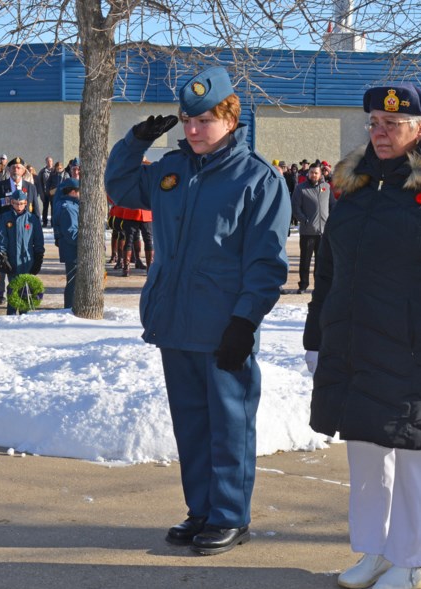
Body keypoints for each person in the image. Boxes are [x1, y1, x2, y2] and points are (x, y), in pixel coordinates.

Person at [303, 84, 421, 589]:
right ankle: (375, 548)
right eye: (373, 123)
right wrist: (316, 335)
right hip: (356, 345)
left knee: (414, 453)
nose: (379, 133)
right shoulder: (358, 187)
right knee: (365, 449)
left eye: (391, 124)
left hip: (420, 350)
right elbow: (330, 273)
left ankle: (411, 558)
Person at [105, 66, 290, 555]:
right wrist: (133, 143)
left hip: (224, 324)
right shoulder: (171, 169)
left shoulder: (258, 179)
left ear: (230, 117)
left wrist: (245, 321)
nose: (192, 129)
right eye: (187, 120)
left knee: (229, 424)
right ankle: (202, 510)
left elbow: (267, 263)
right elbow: (121, 188)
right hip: (174, 319)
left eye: (204, 120)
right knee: (190, 422)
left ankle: (231, 515)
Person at [0, 189, 44, 315]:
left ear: (26, 203)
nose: (19, 206)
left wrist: (38, 258)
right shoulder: (5, 218)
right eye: (16, 203)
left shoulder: (32, 219)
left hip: (27, 260)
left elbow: (38, 240)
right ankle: (10, 315)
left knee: (25, 290)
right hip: (12, 260)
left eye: (21, 203)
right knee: (13, 289)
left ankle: (24, 315)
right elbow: (1, 238)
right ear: (11, 202)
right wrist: (3, 256)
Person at [290, 161, 335, 294]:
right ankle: (303, 285)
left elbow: (333, 204)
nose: (313, 175)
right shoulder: (300, 188)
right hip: (308, 231)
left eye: (316, 173)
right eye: (311, 173)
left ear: (321, 174)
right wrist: (305, 220)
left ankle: (319, 286)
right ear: (308, 174)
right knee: (305, 260)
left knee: (321, 262)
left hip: (323, 232)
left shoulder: (326, 187)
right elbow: (295, 207)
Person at [52, 179, 80, 309]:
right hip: (73, 251)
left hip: (71, 250)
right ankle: (69, 308)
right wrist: (84, 244)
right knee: (73, 284)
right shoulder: (69, 208)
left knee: (74, 282)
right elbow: (71, 233)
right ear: (73, 192)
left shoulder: (68, 204)